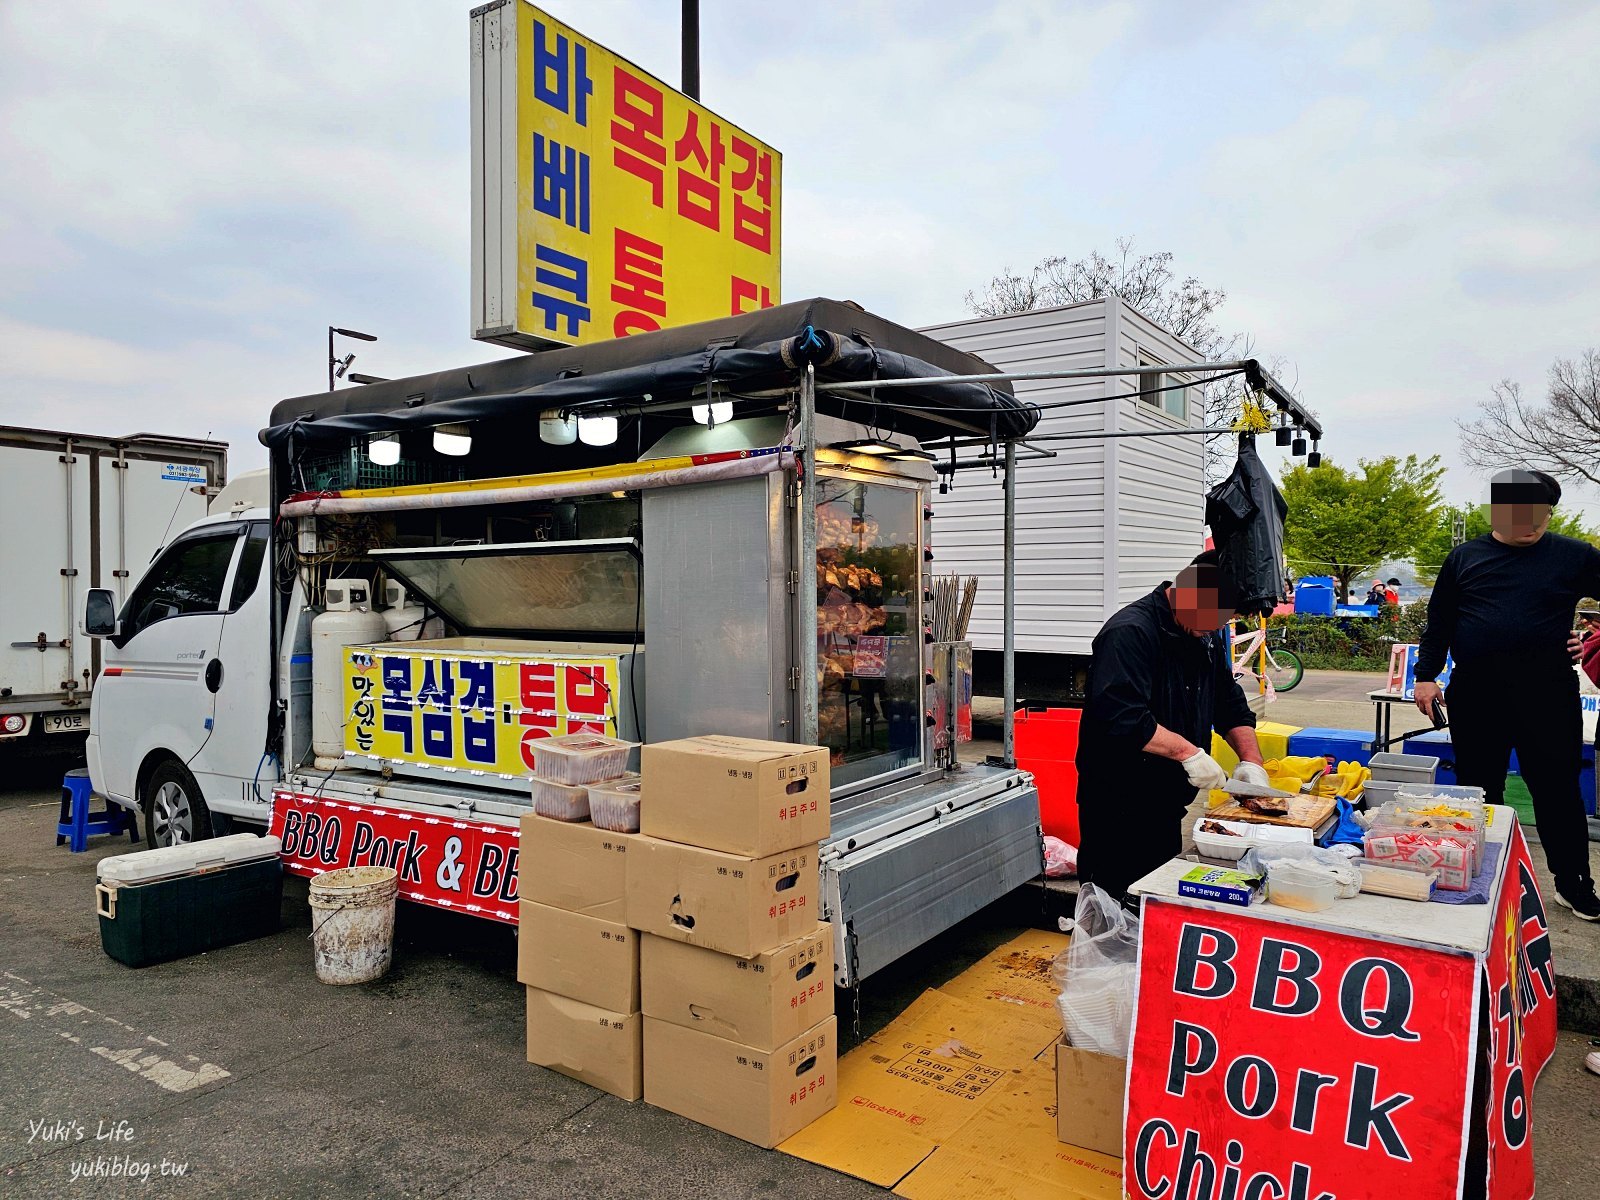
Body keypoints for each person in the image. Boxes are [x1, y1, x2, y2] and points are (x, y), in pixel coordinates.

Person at [1414, 468, 1600, 920]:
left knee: (1557, 791)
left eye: (1540, 517)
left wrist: (1591, 637)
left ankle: (1573, 883)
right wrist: (1425, 675)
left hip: (1548, 695)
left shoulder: (1576, 556)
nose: (1532, 526)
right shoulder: (1465, 557)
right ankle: (1484, 877)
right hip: (1478, 695)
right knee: (1478, 790)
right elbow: (1439, 622)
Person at [1076, 550, 1268, 898]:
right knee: (1113, 900)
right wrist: (1188, 753)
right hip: (1119, 800)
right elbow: (1122, 716)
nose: (1217, 628)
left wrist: (1251, 762)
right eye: (1216, 619)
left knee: (1152, 897)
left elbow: (1228, 701)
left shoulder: (1202, 631)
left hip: (1165, 802)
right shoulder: (1129, 633)